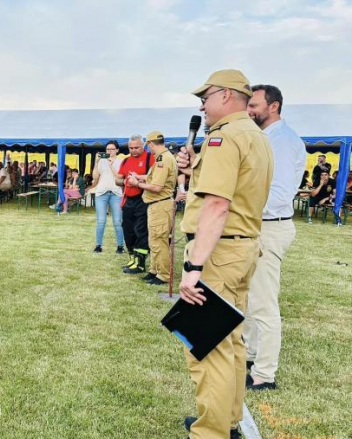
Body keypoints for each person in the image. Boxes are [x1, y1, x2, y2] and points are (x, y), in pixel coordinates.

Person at [176, 69, 273, 439]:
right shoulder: (254, 134)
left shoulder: (224, 137)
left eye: (207, 94)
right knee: (230, 340)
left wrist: (193, 266)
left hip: (219, 251)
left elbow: (216, 205)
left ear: (228, 95)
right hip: (243, 247)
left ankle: (211, 432)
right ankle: (227, 421)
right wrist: (193, 167)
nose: (202, 102)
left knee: (208, 346)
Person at [242, 84, 307, 391]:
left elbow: (278, 196)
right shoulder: (266, 138)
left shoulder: (281, 141)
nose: (249, 110)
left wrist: (237, 207)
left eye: (254, 105)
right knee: (251, 299)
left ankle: (264, 373)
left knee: (263, 303)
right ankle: (252, 356)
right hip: (258, 224)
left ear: (274, 106)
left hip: (269, 225)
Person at [129, 131, 177, 286]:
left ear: (150, 143)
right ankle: (154, 270)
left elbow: (156, 186)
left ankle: (163, 275)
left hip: (160, 204)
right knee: (154, 240)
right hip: (156, 205)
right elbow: (153, 178)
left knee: (159, 240)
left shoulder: (163, 159)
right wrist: (139, 175)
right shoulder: (163, 158)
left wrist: (137, 184)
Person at [117, 134, 154, 273]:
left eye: (136, 147)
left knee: (141, 231)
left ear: (143, 145)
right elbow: (118, 179)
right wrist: (124, 180)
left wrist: (138, 181)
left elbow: (155, 179)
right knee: (128, 230)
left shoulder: (151, 159)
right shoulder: (126, 161)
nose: (133, 150)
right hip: (128, 199)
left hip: (143, 199)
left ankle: (140, 263)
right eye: (131, 148)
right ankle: (132, 258)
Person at [89, 141, 124, 253]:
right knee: (101, 221)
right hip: (101, 193)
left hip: (116, 193)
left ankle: (120, 246)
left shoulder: (121, 161)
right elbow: (95, 177)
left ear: (117, 150)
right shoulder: (101, 161)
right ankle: (98, 245)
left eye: (112, 149)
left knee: (118, 221)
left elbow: (120, 176)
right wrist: (96, 162)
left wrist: (111, 164)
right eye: (108, 149)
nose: (109, 151)